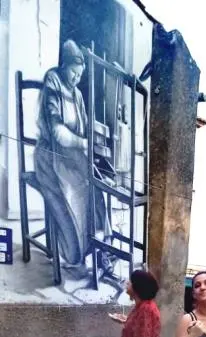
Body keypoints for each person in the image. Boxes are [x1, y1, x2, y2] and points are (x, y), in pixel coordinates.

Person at [34, 39, 115, 279]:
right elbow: (58, 133)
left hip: (73, 159)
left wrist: (97, 142)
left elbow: (86, 129)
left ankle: (102, 249)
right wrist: (84, 143)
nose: (75, 79)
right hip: (51, 158)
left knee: (96, 189)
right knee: (75, 199)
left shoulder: (78, 94)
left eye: (79, 75)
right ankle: (77, 253)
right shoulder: (53, 80)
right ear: (64, 65)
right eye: (73, 72)